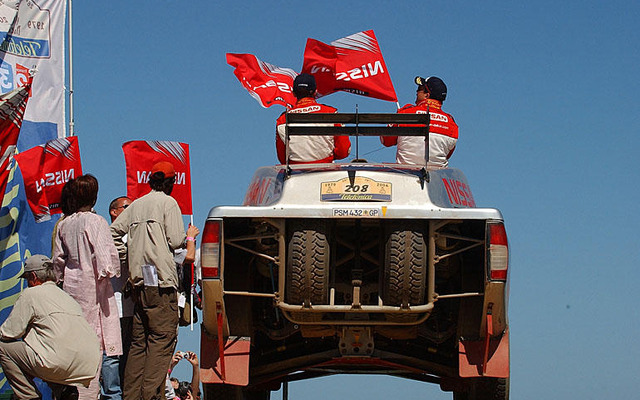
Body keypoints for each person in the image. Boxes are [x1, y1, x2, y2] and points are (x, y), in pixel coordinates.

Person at [111, 161, 193, 400]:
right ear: (170, 182)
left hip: (139, 284)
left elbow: (113, 232)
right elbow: (176, 240)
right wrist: (189, 236)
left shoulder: (136, 205)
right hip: (161, 283)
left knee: (139, 343)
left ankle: (131, 395)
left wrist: (128, 256)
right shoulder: (169, 203)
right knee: (162, 339)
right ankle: (149, 396)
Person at [53, 175, 123, 400]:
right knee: (97, 348)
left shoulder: (64, 224)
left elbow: (58, 262)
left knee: (76, 348)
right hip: (95, 291)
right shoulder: (96, 222)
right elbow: (108, 263)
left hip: (71, 291)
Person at [0, 255, 101, 400]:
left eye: (28, 279)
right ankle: (65, 390)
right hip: (88, 364)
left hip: (57, 362)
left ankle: (29, 397)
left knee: (3, 347)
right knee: (49, 346)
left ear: (33, 276)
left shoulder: (31, 293)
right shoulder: (66, 297)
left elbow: (9, 332)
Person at [381, 76, 459, 167]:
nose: (416, 92)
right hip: (436, 178)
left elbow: (385, 140)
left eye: (419, 89)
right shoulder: (451, 123)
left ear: (427, 95)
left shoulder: (406, 112)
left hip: (405, 174)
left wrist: (397, 116)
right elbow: (448, 154)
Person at [275, 73, 351, 164]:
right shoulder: (330, 113)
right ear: (315, 91)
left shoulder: (282, 120)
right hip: (325, 170)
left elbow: (282, 158)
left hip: (296, 174)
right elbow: (344, 151)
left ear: (294, 93)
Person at [108, 196, 134, 392]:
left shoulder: (133, 235)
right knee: (111, 356)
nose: (131, 210)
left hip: (131, 307)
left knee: (129, 356)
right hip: (112, 306)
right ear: (114, 212)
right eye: (126, 207)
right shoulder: (108, 236)